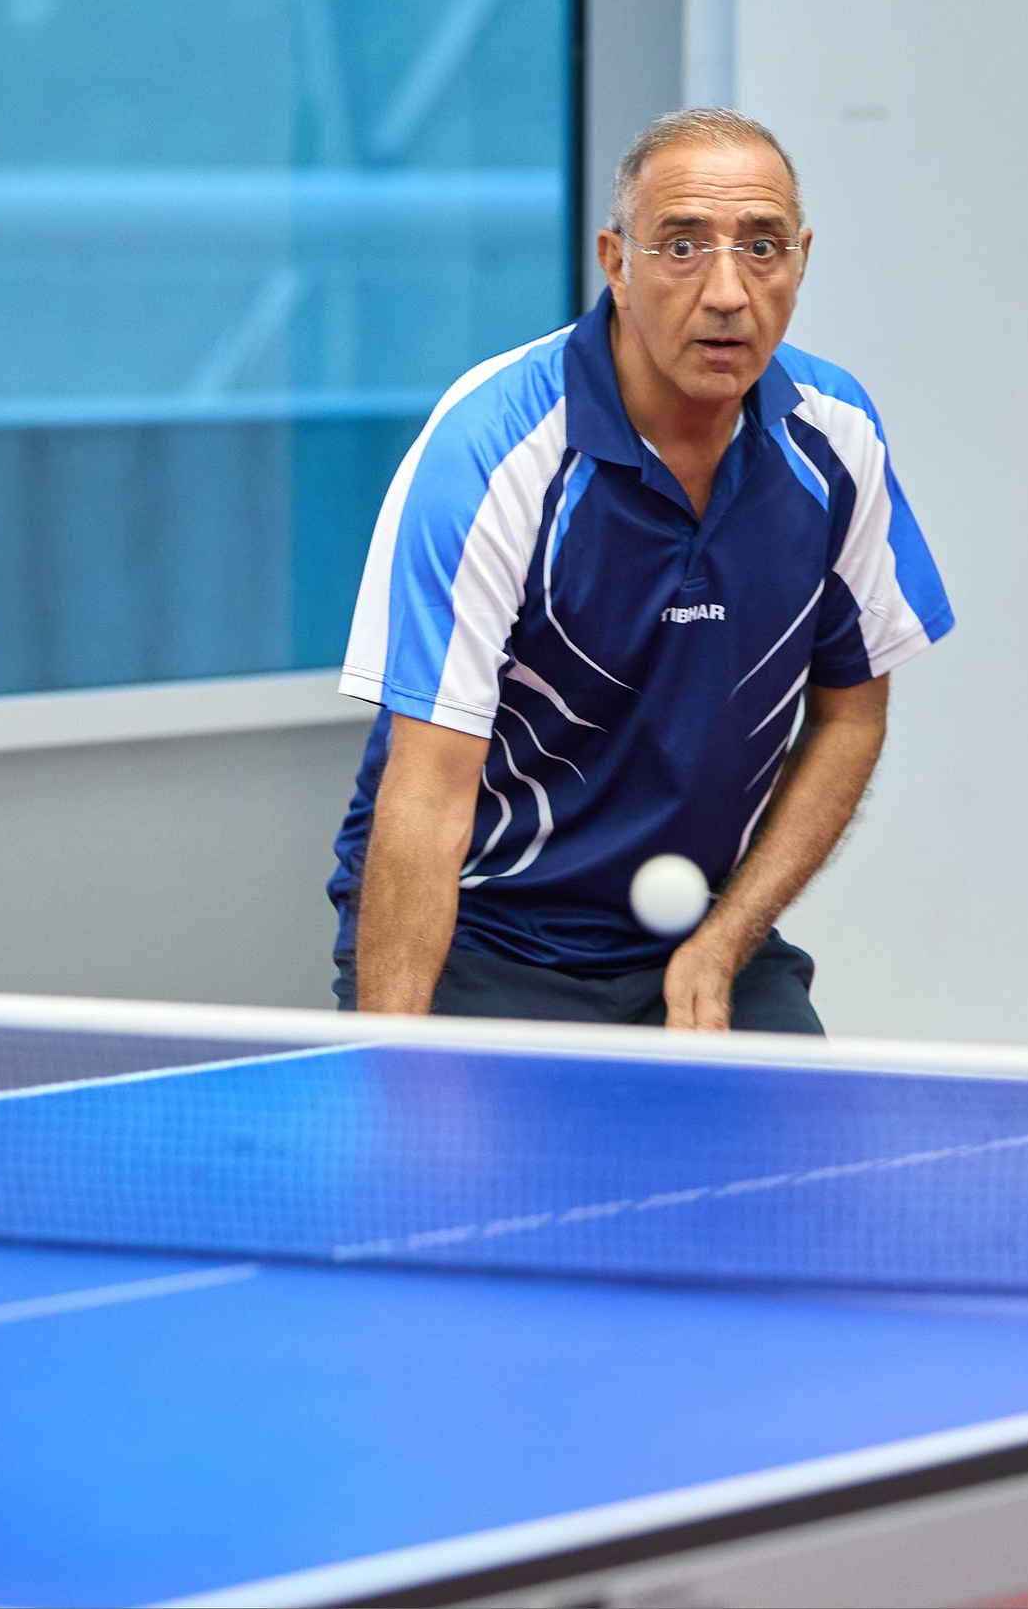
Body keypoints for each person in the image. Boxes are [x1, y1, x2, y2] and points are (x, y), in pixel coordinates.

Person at [329, 108, 953, 1031]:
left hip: (702, 937)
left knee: (809, 1173)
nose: (729, 291)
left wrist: (729, 933)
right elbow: (423, 794)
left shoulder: (835, 435)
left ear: (802, 260)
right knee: (458, 1168)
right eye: (683, 246)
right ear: (615, 262)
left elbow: (851, 717)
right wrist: (400, 1064)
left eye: (763, 246)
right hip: (490, 935)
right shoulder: (493, 452)